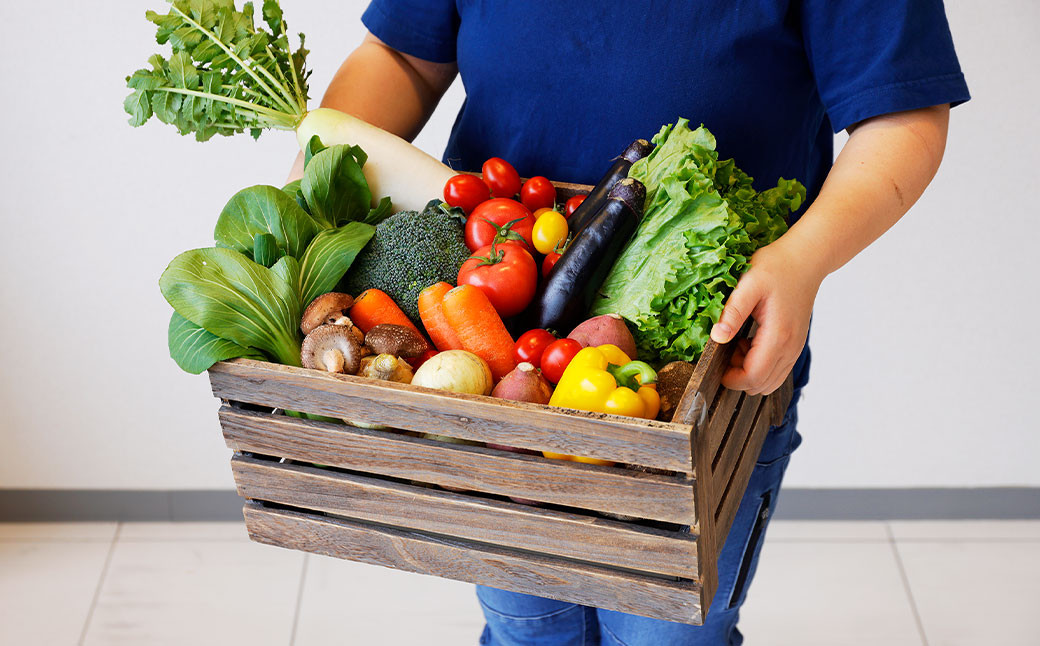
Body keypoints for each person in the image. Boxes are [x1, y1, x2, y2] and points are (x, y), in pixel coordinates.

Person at [291, 2, 969, 644]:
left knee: (668, 632)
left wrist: (801, 259)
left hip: (712, 358)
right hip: (497, 345)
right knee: (527, 624)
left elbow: (903, 114)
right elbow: (402, 54)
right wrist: (324, 154)